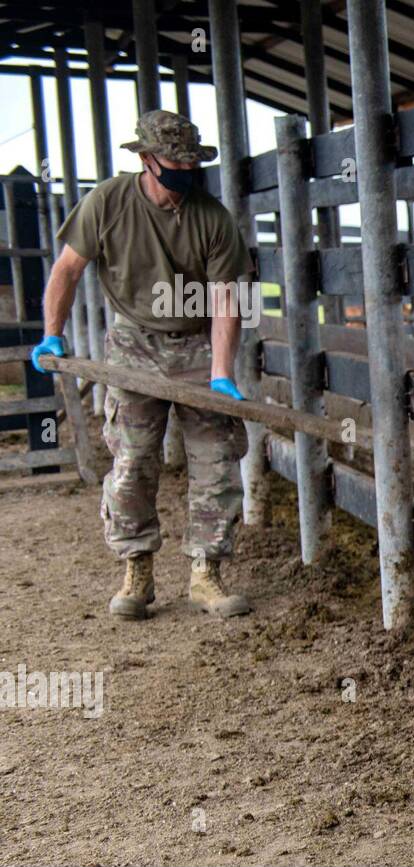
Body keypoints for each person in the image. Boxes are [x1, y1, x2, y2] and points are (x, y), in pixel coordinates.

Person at [31, 110, 254, 619]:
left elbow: (225, 299)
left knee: (217, 460)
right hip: (133, 344)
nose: (183, 172)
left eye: (191, 164)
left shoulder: (212, 217)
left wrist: (221, 371)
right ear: (146, 160)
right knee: (132, 462)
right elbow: (67, 270)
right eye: (174, 162)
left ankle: (206, 571)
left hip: (197, 342)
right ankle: (137, 568)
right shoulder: (107, 202)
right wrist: (52, 335)